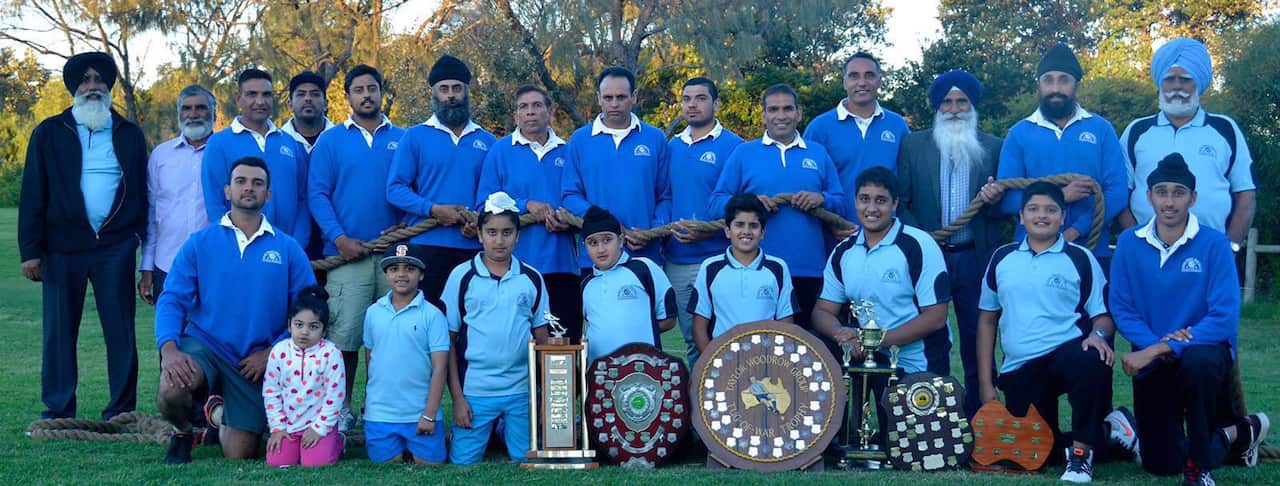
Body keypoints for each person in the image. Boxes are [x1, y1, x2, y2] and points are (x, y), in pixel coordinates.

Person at [1110, 154, 1268, 485]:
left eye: (1179, 192)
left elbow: (1223, 318)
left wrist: (1156, 349)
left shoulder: (1214, 244)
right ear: (1148, 195)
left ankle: (1200, 468)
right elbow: (1122, 307)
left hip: (1202, 353)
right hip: (1156, 353)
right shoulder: (1128, 243)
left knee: (1198, 362)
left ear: (1193, 198)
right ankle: (1238, 432)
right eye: (1162, 192)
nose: (1170, 202)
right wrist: (1160, 347)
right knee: (1161, 463)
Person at [156, 157, 317, 464]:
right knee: (172, 385)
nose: (249, 188)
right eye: (241, 181)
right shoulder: (200, 243)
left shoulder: (287, 248)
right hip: (207, 345)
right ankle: (182, 431)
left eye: (257, 183)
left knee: (239, 454)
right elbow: (172, 299)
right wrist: (169, 349)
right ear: (227, 191)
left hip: (254, 360)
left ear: (268, 194)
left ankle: (215, 412)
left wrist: (273, 351)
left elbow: (309, 310)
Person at [18, 51, 147, 421]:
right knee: (58, 332)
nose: (92, 87)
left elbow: (141, 191)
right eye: (85, 81)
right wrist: (31, 250)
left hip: (115, 246)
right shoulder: (49, 132)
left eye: (99, 81)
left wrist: (139, 242)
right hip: (62, 247)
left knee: (120, 330)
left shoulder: (128, 134)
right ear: (74, 87)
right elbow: (32, 193)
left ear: (109, 87)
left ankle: (121, 409)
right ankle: (58, 409)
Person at [976, 182, 1115, 483]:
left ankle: (1080, 458)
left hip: (1066, 355)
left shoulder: (1080, 258)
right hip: (1021, 367)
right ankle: (1110, 432)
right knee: (1040, 456)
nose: (1042, 216)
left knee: (1090, 359)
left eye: (1051, 210)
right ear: (1021, 217)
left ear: (1063, 217)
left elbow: (1102, 317)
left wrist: (1097, 336)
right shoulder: (1002, 257)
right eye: (1034, 209)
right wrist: (987, 385)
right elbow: (987, 321)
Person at [895, 69, 1006, 418]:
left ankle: (978, 416)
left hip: (975, 257)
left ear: (972, 106)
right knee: (931, 337)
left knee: (978, 338)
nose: (955, 108)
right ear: (936, 107)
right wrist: (923, 243)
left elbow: (1007, 210)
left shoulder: (994, 148)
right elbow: (904, 201)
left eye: (962, 101)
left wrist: (996, 198)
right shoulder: (913, 145)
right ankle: (935, 416)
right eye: (947, 102)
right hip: (930, 259)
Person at [812, 167, 950, 443]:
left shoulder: (918, 244)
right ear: (855, 201)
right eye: (864, 199)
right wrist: (841, 335)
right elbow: (822, 311)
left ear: (895, 204)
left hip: (913, 362)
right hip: (867, 357)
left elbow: (936, 316)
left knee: (906, 448)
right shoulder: (844, 251)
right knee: (817, 347)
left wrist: (876, 342)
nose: (871, 208)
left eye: (880, 200)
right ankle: (841, 434)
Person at [308, 64, 404, 431]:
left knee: (388, 337)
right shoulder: (331, 141)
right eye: (359, 89)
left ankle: (380, 408)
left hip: (393, 255)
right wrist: (339, 238)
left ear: (382, 93)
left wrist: (407, 226)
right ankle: (342, 407)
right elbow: (317, 193)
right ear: (347, 97)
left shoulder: (403, 138)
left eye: (372, 88)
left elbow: (410, 186)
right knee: (345, 337)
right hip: (348, 255)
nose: (366, 95)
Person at [709, 83, 844, 336]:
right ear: (763, 115)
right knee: (756, 348)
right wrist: (750, 202)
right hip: (759, 270)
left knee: (805, 353)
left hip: (809, 269)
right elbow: (716, 203)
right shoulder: (744, 153)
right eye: (773, 109)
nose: (780, 116)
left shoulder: (817, 153)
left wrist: (821, 198)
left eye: (787, 109)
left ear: (799, 113)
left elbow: (841, 202)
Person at [997, 42, 1127, 273]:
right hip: (1030, 253)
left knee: (1095, 311)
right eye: (1048, 80)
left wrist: (1076, 230)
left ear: (1077, 85)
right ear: (1039, 85)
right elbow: (1008, 199)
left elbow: (1117, 192)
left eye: (1063, 80)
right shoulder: (1019, 133)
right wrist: (1061, 197)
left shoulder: (1101, 129)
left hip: (1091, 250)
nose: (1055, 87)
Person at [442, 192, 551, 464]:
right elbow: (448, 343)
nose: (499, 240)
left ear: (518, 235)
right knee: (463, 462)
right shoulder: (461, 276)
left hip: (521, 390)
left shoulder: (532, 278)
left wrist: (546, 397)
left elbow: (543, 339)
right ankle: (491, 427)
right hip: (476, 390)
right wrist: (457, 399)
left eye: (506, 232)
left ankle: (507, 427)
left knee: (526, 459)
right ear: (479, 234)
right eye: (491, 232)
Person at [1118, 37, 1256, 251]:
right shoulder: (1137, 131)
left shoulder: (1225, 129)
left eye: (1185, 79)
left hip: (1211, 252)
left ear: (1198, 83)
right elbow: (1120, 194)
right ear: (1160, 83)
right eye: (1169, 79)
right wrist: (1136, 244)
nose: (1176, 87)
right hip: (1148, 252)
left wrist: (1231, 248)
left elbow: (1245, 194)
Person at [387, 55, 494, 308]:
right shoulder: (415, 136)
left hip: (474, 248)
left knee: (471, 324)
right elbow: (395, 189)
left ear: (468, 91)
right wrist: (433, 209)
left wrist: (478, 221)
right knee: (428, 323)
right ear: (433, 93)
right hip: (426, 247)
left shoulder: (488, 141)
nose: (451, 95)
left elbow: (492, 194)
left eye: (457, 88)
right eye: (444, 89)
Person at [476, 85, 581, 341]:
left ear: (550, 112)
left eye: (537, 106)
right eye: (524, 107)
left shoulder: (568, 152)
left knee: (563, 347)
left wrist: (567, 218)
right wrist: (525, 205)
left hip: (562, 267)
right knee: (517, 345)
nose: (530, 112)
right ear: (515, 116)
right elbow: (483, 204)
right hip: (515, 269)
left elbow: (579, 200)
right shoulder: (500, 151)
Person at [665, 76, 745, 366]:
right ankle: (698, 407)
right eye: (687, 99)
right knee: (692, 339)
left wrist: (707, 231)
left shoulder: (735, 146)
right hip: (678, 261)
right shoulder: (671, 146)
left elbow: (740, 204)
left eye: (700, 98)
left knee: (727, 336)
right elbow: (664, 195)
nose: (692, 105)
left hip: (720, 258)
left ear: (716, 103)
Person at [562, 66, 672, 268]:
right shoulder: (580, 140)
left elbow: (665, 196)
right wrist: (604, 222)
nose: (614, 104)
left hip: (645, 258)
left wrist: (651, 231)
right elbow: (570, 195)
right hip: (595, 260)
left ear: (634, 96)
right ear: (598, 98)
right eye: (608, 97)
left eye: (621, 97)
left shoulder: (655, 138)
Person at [362, 243, 450, 464]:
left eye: (409, 269)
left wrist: (429, 415)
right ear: (386, 274)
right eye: (394, 269)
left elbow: (440, 368)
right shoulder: (373, 313)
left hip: (420, 412)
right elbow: (370, 359)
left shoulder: (433, 315)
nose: (401, 274)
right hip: (381, 413)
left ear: (421, 274)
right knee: (386, 463)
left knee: (429, 463)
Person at [201, 68, 311, 244]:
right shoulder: (219, 144)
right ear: (239, 98)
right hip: (241, 250)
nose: (260, 101)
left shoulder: (291, 143)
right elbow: (215, 203)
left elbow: (303, 199)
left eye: (266, 95)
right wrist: (235, 243)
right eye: (252, 94)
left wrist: (296, 244)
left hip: (287, 248)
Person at [804, 51, 910, 226]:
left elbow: (906, 184)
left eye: (869, 75)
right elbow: (810, 185)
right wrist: (831, 226)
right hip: (837, 234)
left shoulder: (898, 125)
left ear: (879, 81)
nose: (862, 82)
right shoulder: (820, 127)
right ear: (844, 82)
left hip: (887, 234)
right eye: (854, 76)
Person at [139, 84, 215, 305]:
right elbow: (152, 214)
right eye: (186, 108)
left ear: (214, 112)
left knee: (216, 336)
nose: (193, 114)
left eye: (201, 108)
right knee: (170, 334)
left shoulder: (225, 151)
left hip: (215, 264)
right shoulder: (160, 156)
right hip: (168, 264)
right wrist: (146, 265)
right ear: (179, 114)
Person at [690, 193, 794, 352]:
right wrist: (711, 362)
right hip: (722, 360)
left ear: (763, 232)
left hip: (766, 359)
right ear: (727, 230)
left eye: (753, 226)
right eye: (739, 224)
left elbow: (786, 323)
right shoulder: (710, 267)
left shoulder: (778, 268)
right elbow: (699, 326)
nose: (746, 231)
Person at [262, 286, 347, 468]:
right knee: (278, 462)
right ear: (289, 325)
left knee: (315, 463)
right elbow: (271, 392)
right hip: (289, 424)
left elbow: (335, 396)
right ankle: (296, 445)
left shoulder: (331, 353)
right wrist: (278, 428)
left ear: (323, 331)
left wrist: (319, 429)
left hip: (319, 422)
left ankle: (337, 441)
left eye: (313, 326)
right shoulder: (279, 351)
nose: (305, 332)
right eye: (298, 325)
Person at [579, 206, 677, 362]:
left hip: (643, 369)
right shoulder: (586, 285)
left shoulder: (644, 268)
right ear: (585, 247)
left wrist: (635, 337)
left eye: (607, 240)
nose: (601, 249)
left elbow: (668, 319)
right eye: (593, 243)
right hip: (599, 374)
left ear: (621, 240)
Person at [279, 71, 335, 154]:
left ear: (325, 104)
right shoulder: (277, 141)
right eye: (301, 94)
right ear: (289, 104)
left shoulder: (342, 139)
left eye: (315, 94)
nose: (308, 99)